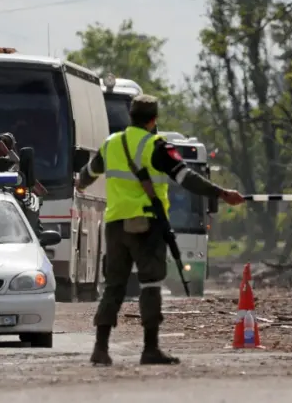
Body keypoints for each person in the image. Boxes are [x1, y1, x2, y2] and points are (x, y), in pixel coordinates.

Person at [75, 94, 245, 366]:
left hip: (115, 225)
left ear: (130, 116)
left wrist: (80, 184)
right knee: (151, 284)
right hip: (146, 225)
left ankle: (100, 348)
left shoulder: (111, 144)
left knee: (113, 287)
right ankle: (150, 348)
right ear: (153, 120)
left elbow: (87, 175)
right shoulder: (157, 146)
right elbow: (187, 178)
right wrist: (222, 193)